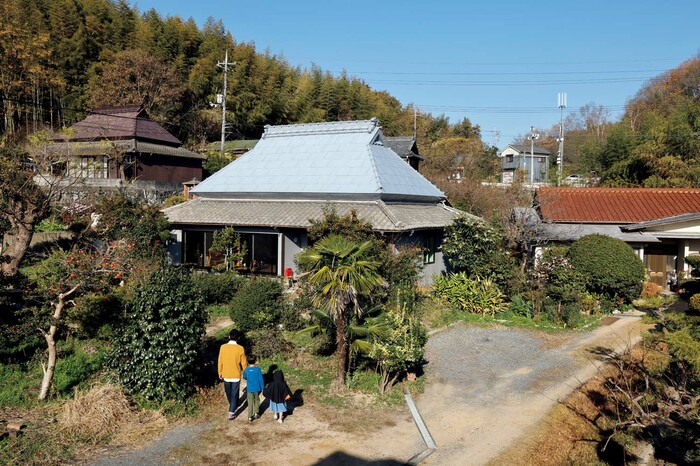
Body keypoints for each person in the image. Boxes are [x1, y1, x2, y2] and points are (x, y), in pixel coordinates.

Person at [218, 330, 247, 420]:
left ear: (229, 336)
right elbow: (244, 363)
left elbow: (220, 361)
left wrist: (220, 372)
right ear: (238, 338)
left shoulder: (223, 347)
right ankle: (232, 410)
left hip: (225, 373)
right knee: (234, 393)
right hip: (236, 374)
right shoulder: (240, 348)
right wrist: (245, 373)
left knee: (228, 392)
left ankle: (232, 407)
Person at [242, 354, 264, 422]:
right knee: (257, 400)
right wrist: (263, 388)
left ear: (247, 362)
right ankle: (256, 413)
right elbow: (261, 379)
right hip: (257, 388)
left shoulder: (246, 370)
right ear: (255, 361)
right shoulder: (258, 369)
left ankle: (249, 416)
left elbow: (244, 377)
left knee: (250, 401)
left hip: (249, 389)